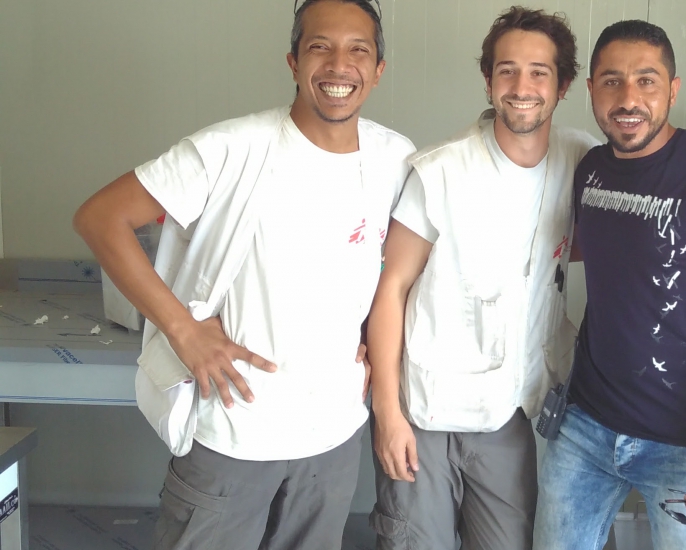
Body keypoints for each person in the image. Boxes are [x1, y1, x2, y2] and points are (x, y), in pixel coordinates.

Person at [72, 1, 415, 548]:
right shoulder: (233, 148)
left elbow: (393, 272)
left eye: (358, 50)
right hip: (235, 431)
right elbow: (100, 218)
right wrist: (183, 330)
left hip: (332, 436)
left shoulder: (395, 159)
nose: (338, 65)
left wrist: (374, 343)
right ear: (293, 60)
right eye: (319, 46)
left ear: (378, 69)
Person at [534, 20, 686, 550]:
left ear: (672, 89)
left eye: (647, 81)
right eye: (611, 81)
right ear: (591, 90)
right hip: (584, 428)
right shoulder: (591, 171)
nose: (628, 98)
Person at [364, 7, 598, 549]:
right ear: (488, 79)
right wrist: (387, 414)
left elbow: (664, 169)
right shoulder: (440, 171)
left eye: (539, 72)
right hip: (424, 408)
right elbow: (391, 287)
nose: (522, 87)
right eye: (507, 70)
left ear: (563, 85)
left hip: (506, 411)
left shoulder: (580, 159)